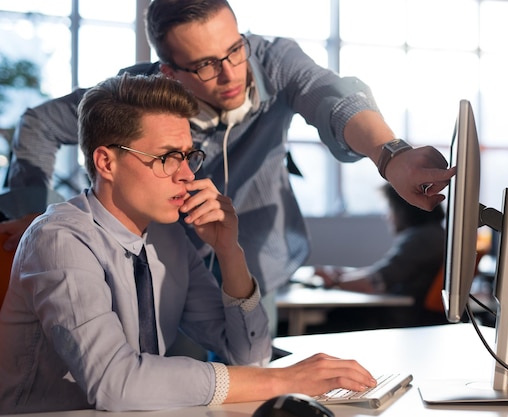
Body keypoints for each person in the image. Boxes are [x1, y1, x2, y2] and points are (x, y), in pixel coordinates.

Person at [1, 0, 455, 334]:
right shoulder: (137, 96)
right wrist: (26, 210)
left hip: (257, 264)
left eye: (235, 49)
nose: (231, 73)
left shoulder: (274, 61)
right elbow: (39, 123)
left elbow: (332, 98)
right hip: (164, 271)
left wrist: (390, 155)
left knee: (252, 374)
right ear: (169, 72)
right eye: (204, 65)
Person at [0, 73, 377, 414]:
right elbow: (117, 384)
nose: (187, 175)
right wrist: (286, 380)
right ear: (106, 163)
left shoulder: (165, 237)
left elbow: (249, 354)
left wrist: (230, 251)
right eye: (167, 158)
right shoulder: (59, 239)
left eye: (188, 156)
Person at [314, 183, 448, 330]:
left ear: (403, 209)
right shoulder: (436, 234)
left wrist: (334, 281)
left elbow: (375, 281)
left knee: (326, 320)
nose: (387, 216)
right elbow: (384, 271)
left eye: (389, 209)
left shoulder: (420, 239)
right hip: (411, 316)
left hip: (397, 320)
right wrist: (348, 275)